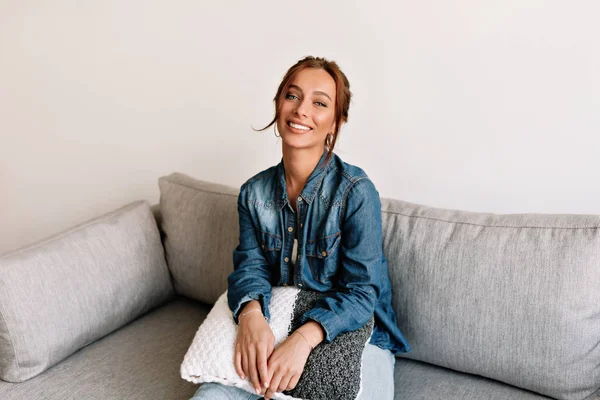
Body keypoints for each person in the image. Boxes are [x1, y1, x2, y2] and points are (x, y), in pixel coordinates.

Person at [190, 56, 410, 400]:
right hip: (281, 320)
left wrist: (304, 339)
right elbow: (250, 266)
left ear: (336, 122)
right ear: (278, 103)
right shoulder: (253, 193)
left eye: (319, 103)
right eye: (292, 96)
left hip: (358, 331)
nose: (301, 110)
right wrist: (250, 315)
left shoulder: (356, 192)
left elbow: (363, 292)